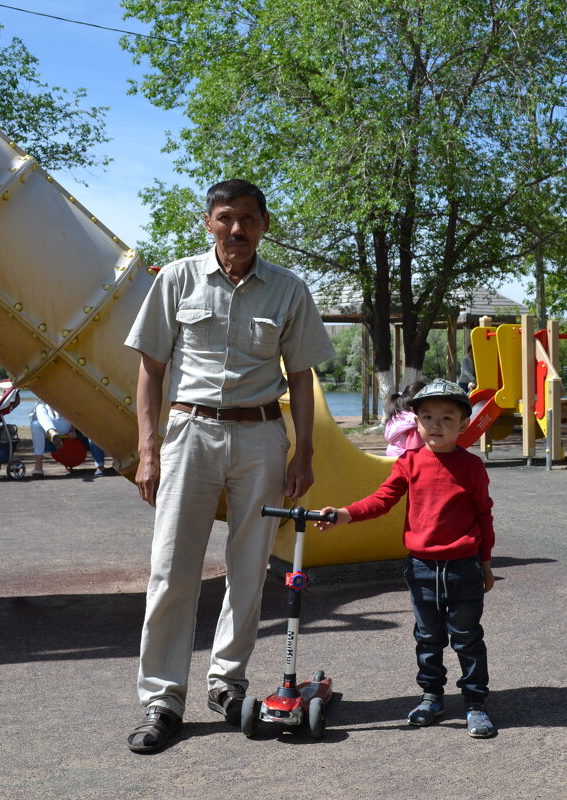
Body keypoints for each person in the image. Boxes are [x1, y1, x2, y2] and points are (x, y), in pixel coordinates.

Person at [123, 179, 334, 754]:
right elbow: (150, 369)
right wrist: (147, 449)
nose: (236, 229)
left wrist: (304, 452)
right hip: (190, 433)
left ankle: (226, 683)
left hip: (263, 436)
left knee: (249, 566)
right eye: (225, 218)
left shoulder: (289, 290)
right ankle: (162, 700)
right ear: (208, 222)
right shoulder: (176, 280)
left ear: (264, 225)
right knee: (171, 566)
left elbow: (302, 376)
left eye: (247, 218)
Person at [316, 379, 498, 738]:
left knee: (467, 638)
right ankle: (432, 696)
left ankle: (475, 704)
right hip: (421, 568)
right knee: (428, 637)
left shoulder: (472, 467)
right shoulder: (409, 463)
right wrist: (344, 513)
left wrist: (486, 563)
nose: (436, 425)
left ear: (464, 424)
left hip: (463, 568)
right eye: (427, 416)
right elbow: (381, 500)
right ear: (416, 422)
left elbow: (484, 516)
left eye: (447, 417)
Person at [28, 401, 106, 477]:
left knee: (38, 417)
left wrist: (73, 431)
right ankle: (52, 433)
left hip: (63, 423)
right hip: (48, 424)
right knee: (36, 421)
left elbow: (75, 410)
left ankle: (38, 465)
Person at [383, 380, 426, 457]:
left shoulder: (398, 417)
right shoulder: (415, 424)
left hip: (392, 457)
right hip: (405, 462)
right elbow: (414, 451)